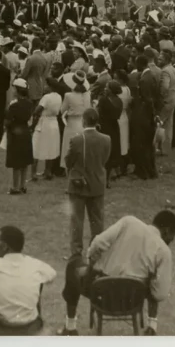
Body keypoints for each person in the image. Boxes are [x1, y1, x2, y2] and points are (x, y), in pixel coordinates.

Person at [60, 210, 175, 336]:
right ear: (167, 231)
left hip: (101, 295)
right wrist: (150, 280)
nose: (172, 239)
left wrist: (91, 263)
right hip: (132, 301)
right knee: (155, 280)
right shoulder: (164, 251)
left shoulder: (129, 222)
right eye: (174, 234)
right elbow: (160, 294)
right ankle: (152, 327)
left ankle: (70, 327)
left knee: (73, 264)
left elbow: (98, 242)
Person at [64, 107, 110, 259]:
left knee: (76, 220)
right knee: (97, 220)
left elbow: (68, 161)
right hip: (97, 184)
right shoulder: (106, 139)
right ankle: (96, 251)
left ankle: (76, 253)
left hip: (78, 185)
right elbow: (104, 159)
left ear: (84, 121)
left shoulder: (77, 140)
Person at [4, 80, 35, 194]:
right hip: (25, 131)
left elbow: (8, 120)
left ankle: (15, 187)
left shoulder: (14, 104)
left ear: (17, 90)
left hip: (15, 132)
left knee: (16, 161)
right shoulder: (30, 103)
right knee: (24, 160)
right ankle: (23, 185)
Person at [31, 86, 62, 181]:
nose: (44, 88)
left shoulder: (46, 97)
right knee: (51, 147)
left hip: (44, 123)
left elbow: (37, 110)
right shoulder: (59, 96)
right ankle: (48, 171)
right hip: (54, 123)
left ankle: (33, 173)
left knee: (36, 146)